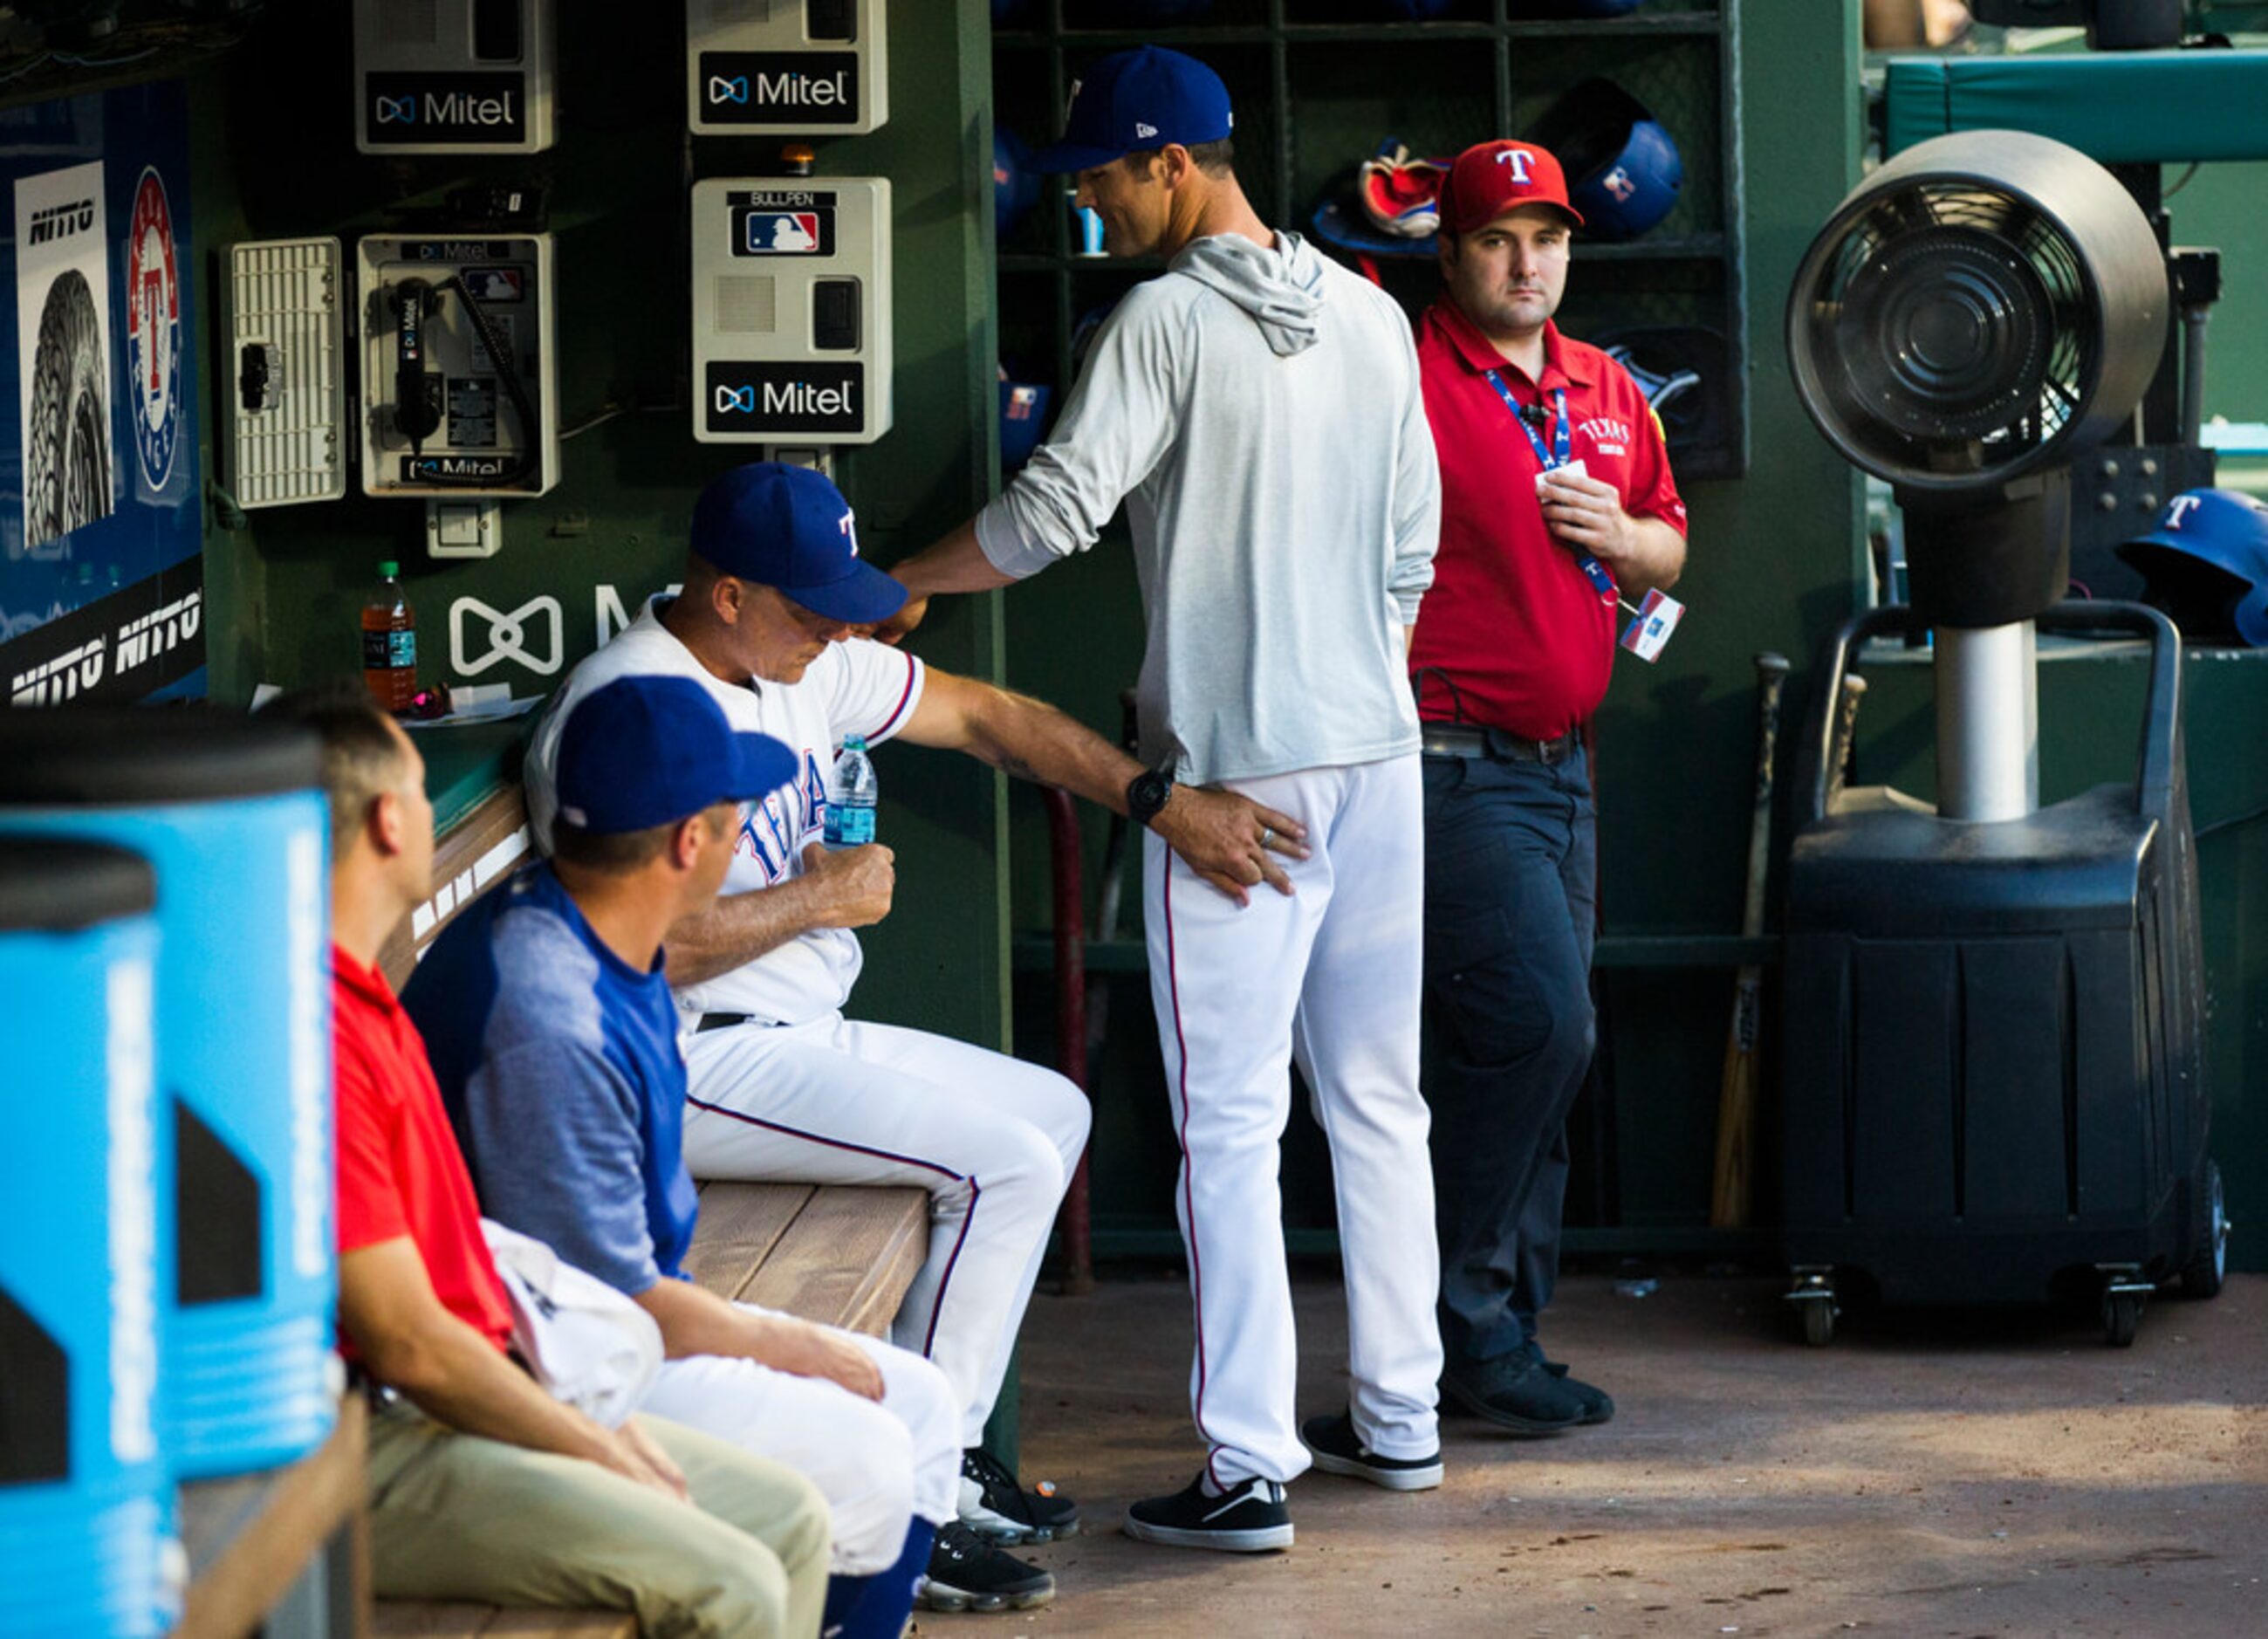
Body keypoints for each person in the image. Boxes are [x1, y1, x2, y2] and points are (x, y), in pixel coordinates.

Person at [510, 463, 1294, 1590]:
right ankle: (914, 1497)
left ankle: (949, 1449)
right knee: (1001, 1166)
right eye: (808, 605)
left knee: (1052, 1110)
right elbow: (618, 943)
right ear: (728, 593)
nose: (834, 626)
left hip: (789, 1029)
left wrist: (1155, 802)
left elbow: (991, 715)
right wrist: (815, 899)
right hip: (678, 1051)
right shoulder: (630, 706)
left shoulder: (799, 663)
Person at [885, 45, 1447, 1551]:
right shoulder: (1374, 312)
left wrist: (891, 582)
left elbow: (1047, 517)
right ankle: (1401, 1415)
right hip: (1375, 760)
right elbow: (1413, 552)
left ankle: (1248, 1465)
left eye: (1101, 180)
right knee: (1376, 1101)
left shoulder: (1160, 320)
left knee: (1230, 1124)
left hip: (1231, 784)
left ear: (1174, 165)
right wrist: (1341, 690)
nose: (1088, 206)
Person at [404, 672, 989, 1625]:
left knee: (917, 1401)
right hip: (530, 1368)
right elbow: (607, 1308)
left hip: (591, 1317)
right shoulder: (547, 1017)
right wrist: (786, 1341)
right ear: (689, 843)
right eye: (732, 811)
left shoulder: (593, 928)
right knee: (880, 1448)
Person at [267, 680, 831, 1638]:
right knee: (730, 1582)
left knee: (791, 1518)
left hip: (472, 1380)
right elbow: (406, 1343)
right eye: (416, 783)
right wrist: (588, 1441)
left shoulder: (361, 996)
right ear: (391, 827)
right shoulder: (305, 1028)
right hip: (360, 1437)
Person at [1407, 139, 1688, 1434]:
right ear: (1449, 252)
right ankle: (1459, 1332)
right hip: (1442, 760)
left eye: (1548, 237)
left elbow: (1667, 547)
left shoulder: (1604, 387)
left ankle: (1500, 1330)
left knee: (1532, 1048)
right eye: (1495, 239)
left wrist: (1620, 540)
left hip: (1566, 766)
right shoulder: (1401, 378)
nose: (1527, 263)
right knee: (1537, 1030)